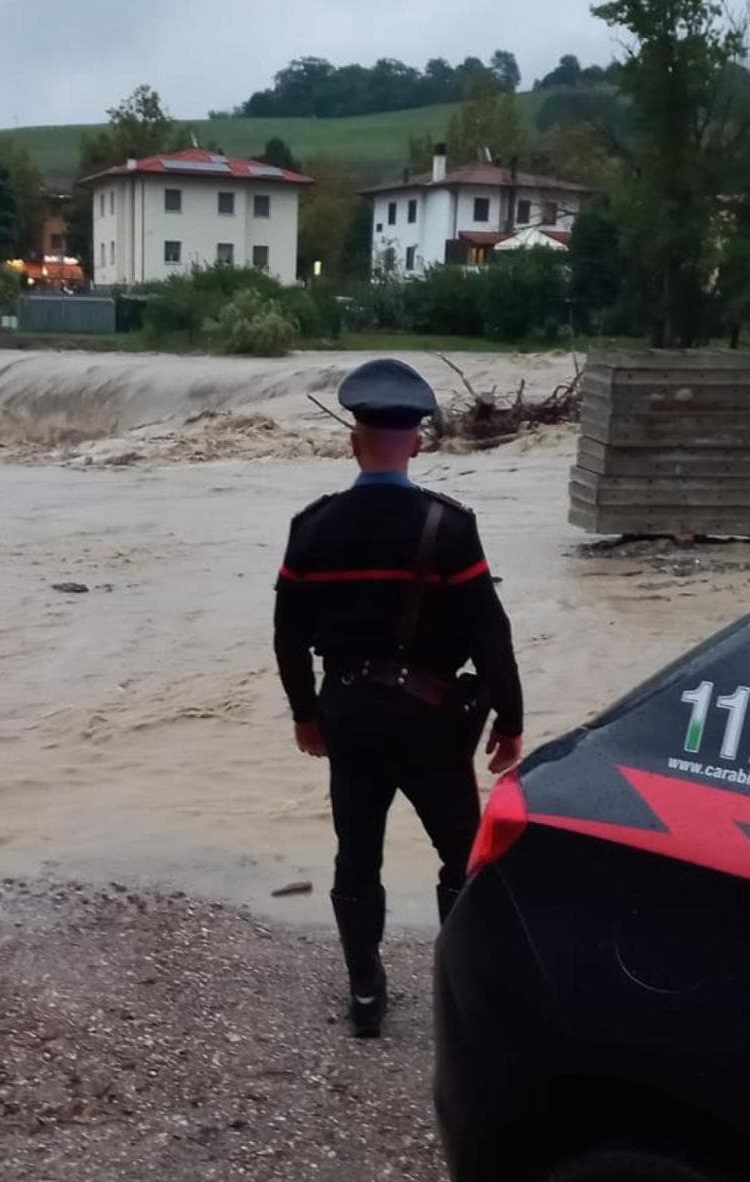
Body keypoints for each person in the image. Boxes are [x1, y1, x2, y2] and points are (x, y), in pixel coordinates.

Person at [272, 358, 524, 1039]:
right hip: (434, 722)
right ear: (416, 441)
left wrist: (304, 713)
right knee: (460, 856)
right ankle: (463, 999)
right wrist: (511, 718)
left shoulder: (312, 528)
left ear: (354, 439)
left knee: (357, 854)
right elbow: (489, 630)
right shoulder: (450, 527)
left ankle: (365, 996)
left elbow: (288, 635)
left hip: (348, 718)